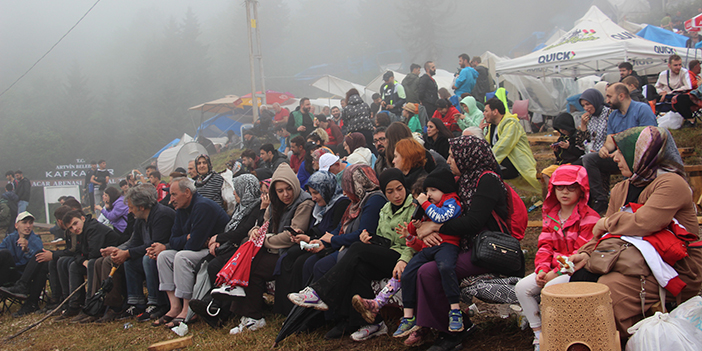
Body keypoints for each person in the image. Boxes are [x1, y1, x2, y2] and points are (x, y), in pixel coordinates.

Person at [570, 126, 702, 341]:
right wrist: (586, 253)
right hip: (627, 260)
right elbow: (606, 235)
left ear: (639, 154)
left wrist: (605, 222)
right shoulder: (622, 188)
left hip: (672, 266)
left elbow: (644, 222)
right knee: (577, 281)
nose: (614, 158)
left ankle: (613, 342)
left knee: (608, 290)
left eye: (620, 152)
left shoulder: (671, 183)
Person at [411, 135, 522, 349]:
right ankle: (446, 325)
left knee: (429, 272)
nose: (449, 160)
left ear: (468, 157)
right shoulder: (463, 180)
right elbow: (441, 210)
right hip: (463, 245)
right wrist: (423, 230)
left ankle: (453, 332)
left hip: (487, 250)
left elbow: (474, 222)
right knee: (422, 267)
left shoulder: (487, 180)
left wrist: (436, 228)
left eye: (454, 156)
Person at [288, 168, 415, 342]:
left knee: (355, 249)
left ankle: (320, 292)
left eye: (399, 189)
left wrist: (403, 259)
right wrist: (368, 239)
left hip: (402, 257)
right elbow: (380, 237)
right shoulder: (386, 208)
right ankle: (374, 323)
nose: (396, 195)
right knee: (358, 267)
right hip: (386, 252)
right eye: (390, 191)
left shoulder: (413, 208)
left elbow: (414, 239)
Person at [355, 167, 464, 339]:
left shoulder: (451, 202)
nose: (428, 195)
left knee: (444, 267)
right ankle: (406, 316)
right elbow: (414, 232)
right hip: (424, 249)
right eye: (427, 191)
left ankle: (455, 311)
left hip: (446, 246)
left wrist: (424, 204)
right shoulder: (390, 209)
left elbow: (440, 217)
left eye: (433, 190)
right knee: (407, 273)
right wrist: (416, 219)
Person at [515, 165, 599, 350]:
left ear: (581, 189)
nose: (565, 192)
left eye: (571, 187)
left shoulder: (590, 218)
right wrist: (542, 270)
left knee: (551, 289)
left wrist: (554, 273)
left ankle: (555, 333)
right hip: (552, 270)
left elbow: (580, 253)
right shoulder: (551, 216)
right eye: (560, 187)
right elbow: (545, 246)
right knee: (522, 287)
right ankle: (538, 333)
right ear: (553, 190)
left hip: (575, 270)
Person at [225, 163, 314, 335]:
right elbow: (262, 225)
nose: (285, 194)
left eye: (288, 189)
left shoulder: (304, 202)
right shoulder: (275, 203)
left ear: (294, 185)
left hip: (288, 253)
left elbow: (291, 236)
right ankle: (248, 314)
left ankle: (252, 316)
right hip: (272, 249)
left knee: (252, 266)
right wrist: (254, 232)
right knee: (247, 260)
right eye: (280, 191)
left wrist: (263, 239)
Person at [151, 177, 229, 328]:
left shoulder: (203, 206)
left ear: (187, 192)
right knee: (164, 256)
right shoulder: (182, 208)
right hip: (199, 247)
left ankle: (188, 309)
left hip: (215, 250)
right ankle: (175, 307)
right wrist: (186, 237)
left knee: (182, 257)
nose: (170, 199)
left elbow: (193, 244)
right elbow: (173, 239)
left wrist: (187, 239)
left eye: (173, 194)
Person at [272, 171, 350, 316]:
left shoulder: (340, 204)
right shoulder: (320, 206)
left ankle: (309, 314)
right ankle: (289, 310)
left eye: (316, 193)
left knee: (302, 263)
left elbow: (335, 232)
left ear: (326, 189)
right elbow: (316, 229)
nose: (313, 197)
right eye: (311, 193)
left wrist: (308, 239)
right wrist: (303, 236)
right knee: (287, 259)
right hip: (316, 244)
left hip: (330, 247)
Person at [302, 164, 386, 298]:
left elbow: (363, 233)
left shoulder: (374, 199)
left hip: (358, 249)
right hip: (346, 246)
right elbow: (341, 227)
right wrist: (324, 241)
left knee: (321, 266)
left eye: (347, 187)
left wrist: (333, 240)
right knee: (309, 263)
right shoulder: (356, 200)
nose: (345, 193)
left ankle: (332, 316)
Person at [98, 184, 176, 322]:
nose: (129, 211)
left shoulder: (161, 215)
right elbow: (135, 242)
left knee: (147, 258)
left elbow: (154, 245)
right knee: (130, 262)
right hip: (150, 253)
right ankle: (136, 302)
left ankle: (156, 302)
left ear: (141, 206)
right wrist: (121, 251)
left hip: (166, 252)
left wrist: (127, 253)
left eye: (131, 207)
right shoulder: (139, 219)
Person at [581, 83, 657, 213]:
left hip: (640, 158)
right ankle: (601, 199)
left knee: (627, 161)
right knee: (589, 159)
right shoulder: (614, 116)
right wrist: (605, 148)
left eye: (609, 96)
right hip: (619, 157)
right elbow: (611, 139)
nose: (607, 100)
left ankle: (631, 201)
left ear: (621, 96)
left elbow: (649, 137)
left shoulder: (641, 109)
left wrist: (621, 151)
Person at [54, 209, 121, 323]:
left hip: (115, 257)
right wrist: (82, 260)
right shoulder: (80, 231)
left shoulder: (93, 228)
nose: (74, 228)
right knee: (74, 266)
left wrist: (84, 259)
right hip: (98, 260)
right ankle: (75, 304)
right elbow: (77, 253)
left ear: (83, 218)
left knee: (91, 263)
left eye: (75, 223)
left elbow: (94, 253)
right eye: (71, 227)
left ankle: (92, 305)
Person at [483, 98, 540, 193]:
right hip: (503, 162)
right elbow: (487, 145)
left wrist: (488, 162)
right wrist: (480, 132)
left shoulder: (511, 124)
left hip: (517, 162)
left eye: (486, 111)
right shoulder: (493, 126)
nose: (484, 114)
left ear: (495, 112)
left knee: (539, 185)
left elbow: (503, 145)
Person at [0, 212, 47, 316]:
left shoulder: (35, 240)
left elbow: (36, 262)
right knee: (3, 253)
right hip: (12, 274)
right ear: (16, 225)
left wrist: (26, 250)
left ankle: (23, 289)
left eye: (30, 223)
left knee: (39, 254)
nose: (28, 226)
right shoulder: (10, 238)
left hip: (28, 277)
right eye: (24, 222)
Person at [540, 113, 586, 197]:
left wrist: (568, 147)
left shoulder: (576, 136)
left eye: (563, 128)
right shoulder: (562, 138)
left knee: (559, 173)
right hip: (560, 163)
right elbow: (560, 156)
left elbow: (581, 152)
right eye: (560, 129)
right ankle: (551, 195)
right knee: (545, 173)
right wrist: (556, 151)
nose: (562, 130)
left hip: (572, 163)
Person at [576, 88, 612, 154]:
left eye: (588, 104)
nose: (585, 108)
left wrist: (601, 150)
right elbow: (581, 144)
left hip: (606, 154)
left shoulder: (610, 114)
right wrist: (583, 125)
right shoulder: (589, 117)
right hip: (590, 154)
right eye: (583, 105)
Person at [342, 88, 376, 154]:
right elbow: (369, 116)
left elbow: (345, 122)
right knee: (371, 149)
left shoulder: (346, 109)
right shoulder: (365, 105)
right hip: (367, 131)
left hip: (354, 134)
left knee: (355, 151)